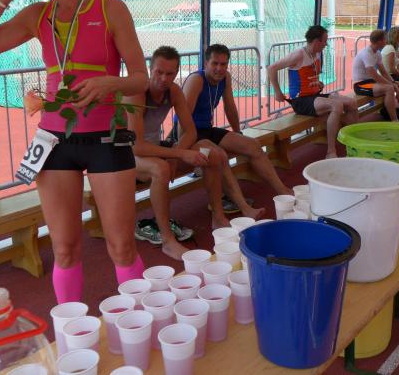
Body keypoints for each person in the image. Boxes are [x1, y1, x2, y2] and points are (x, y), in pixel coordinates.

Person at [0, 0, 149, 303]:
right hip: (53, 141)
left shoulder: (110, 9)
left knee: (122, 246)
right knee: (64, 249)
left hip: (106, 138)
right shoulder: (36, 15)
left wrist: (110, 83)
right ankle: (72, 331)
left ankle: (140, 322)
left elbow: (141, 79)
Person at [128, 46, 263, 260]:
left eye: (170, 74)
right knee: (161, 168)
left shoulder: (173, 91)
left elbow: (190, 131)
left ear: (176, 73)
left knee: (211, 153)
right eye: (159, 72)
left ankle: (218, 217)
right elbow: (136, 146)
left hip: (154, 148)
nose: (164, 79)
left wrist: (176, 151)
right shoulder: (137, 94)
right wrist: (178, 155)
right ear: (150, 69)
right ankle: (168, 241)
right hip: (123, 154)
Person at [181, 44, 294, 202]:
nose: (219, 68)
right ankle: (227, 200)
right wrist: (182, 147)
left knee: (253, 145)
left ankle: (282, 190)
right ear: (206, 63)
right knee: (219, 156)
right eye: (215, 63)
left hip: (207, 130)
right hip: (189, 134)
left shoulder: (225, 78)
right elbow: (183, 119)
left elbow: (230, 107)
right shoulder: (196, 80)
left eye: (223, 64)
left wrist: (237, 132)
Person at [267, 25, 359, 158]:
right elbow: (272, 68)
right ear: (316, 41)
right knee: (336, 105)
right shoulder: (298, 54)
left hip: (315, 96)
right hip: (301, 101)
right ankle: (331, 151)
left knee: (352, 102)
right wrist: (277, 92)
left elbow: (308, 77)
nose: (326, 44)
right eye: (325, 41)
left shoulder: (316, 54)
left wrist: (317, 83)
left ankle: (353, 141)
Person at [352, 29, 399, 124]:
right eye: (385, 39)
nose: (386, 41)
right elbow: (374, 75)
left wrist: (393, 82)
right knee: (389, 88)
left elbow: (384, 72)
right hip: (360, 85)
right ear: (379, 41)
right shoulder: (366, 53)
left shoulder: (377, 53)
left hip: (371, 82)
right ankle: (394, 120)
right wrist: (391, 84)